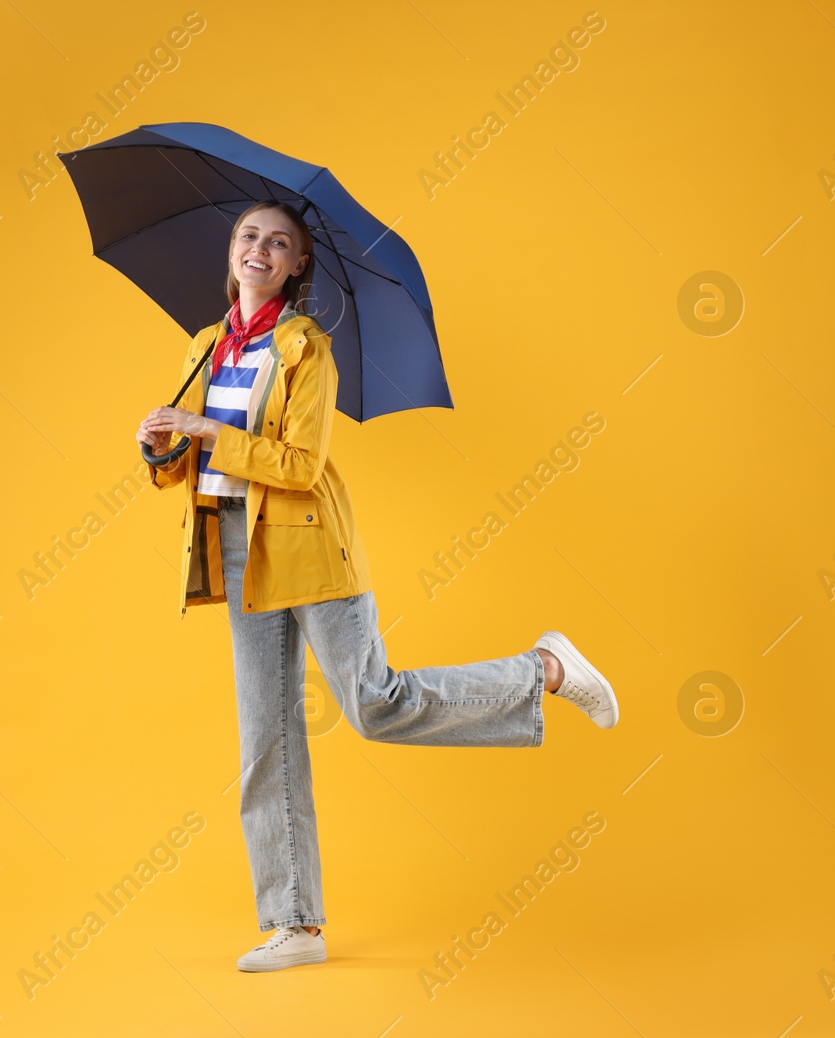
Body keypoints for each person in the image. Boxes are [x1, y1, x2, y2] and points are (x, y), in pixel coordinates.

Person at [134, 199, 619, 974]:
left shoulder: (306, 349)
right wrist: (161, 451)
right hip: (238, 548)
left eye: (279, 242)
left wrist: (207, 433)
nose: (260, 247)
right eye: (249, 235)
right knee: (266, 739)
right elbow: (200, 468)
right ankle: (295, 924)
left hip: (310, 546)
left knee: (373, 703)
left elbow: (298, 466)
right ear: (231, 248)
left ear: (297, 265)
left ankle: (544, 669)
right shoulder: (206, 346)